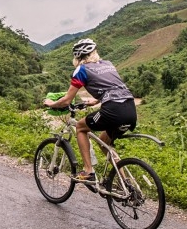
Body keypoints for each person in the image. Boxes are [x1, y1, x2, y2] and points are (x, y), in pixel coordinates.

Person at [43, 38, 137, 185]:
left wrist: (52, 103)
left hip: (113, 110)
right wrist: (96, 101)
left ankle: (88, 171)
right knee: (104, 142)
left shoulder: (81, 70)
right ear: (94, 52)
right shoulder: (108, 64)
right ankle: (126, 182)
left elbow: (67, 100)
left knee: (80, 127)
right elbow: (113, 87)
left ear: (77, 57)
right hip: (130, 109)